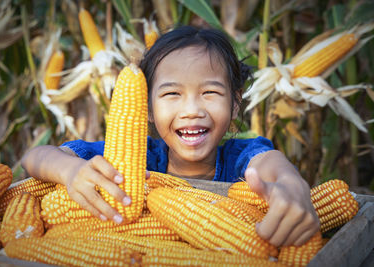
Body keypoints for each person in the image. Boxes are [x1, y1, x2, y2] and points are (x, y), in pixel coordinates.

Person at [21, 26, 320, 247]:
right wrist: (70, 171)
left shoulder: (240, 159)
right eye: (172, 94)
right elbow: (34, 158)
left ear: (235, 104)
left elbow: (271, 164)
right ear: (147, 108)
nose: (191, 110)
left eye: (210, 92)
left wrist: (292, 183)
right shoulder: (134, 162)